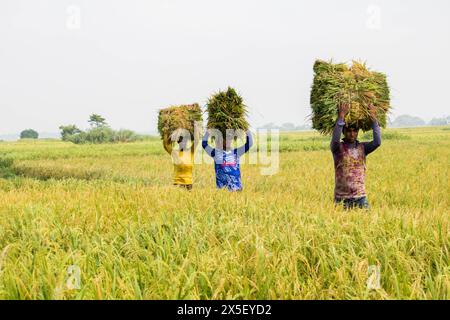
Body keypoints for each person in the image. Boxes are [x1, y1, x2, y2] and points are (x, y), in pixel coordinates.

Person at [330, 103, 381, 209]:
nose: (352, 134)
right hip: (341, 199)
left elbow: (377, 142)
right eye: (348, 131)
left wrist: (373, 119)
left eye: (355, 131)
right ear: (343, 132)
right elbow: (335, 139)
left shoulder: (363, 147)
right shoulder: (337, 148)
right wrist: (341, 117)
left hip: (360, 197)